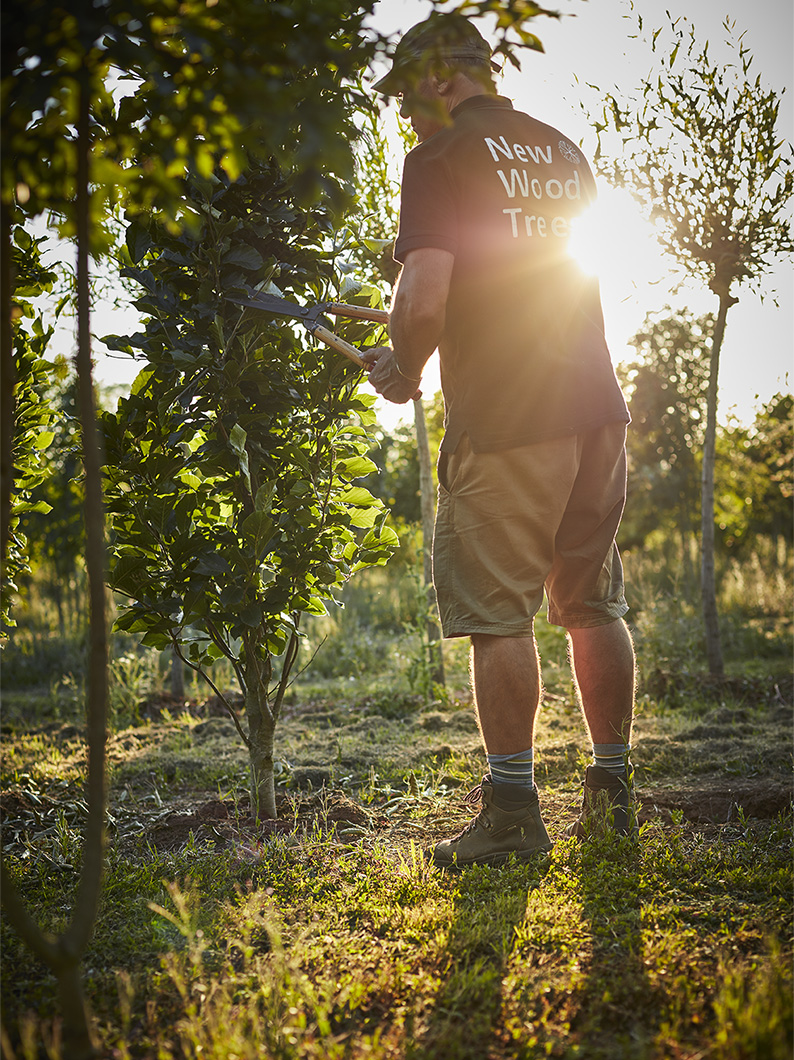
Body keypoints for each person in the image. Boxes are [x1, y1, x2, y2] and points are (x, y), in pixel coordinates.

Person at [364, 14, 638, 868]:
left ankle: (514, 811)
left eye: (406, 93)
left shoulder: (437, 158)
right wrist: (415, 294)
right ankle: (613, 787)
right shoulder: (559, 150)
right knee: (592, 602)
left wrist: (402, 362)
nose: (403, 113)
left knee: (498, 616)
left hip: (511, 418)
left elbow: (426, 302)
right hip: (595, 405)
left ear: (441, 76)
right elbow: (524, 271)